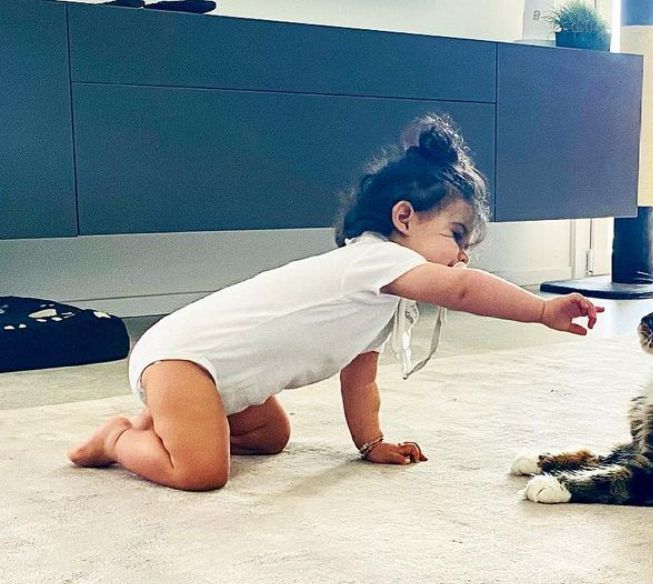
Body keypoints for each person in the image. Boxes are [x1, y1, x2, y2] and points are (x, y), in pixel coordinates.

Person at [68, 115, 604, 491]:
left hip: (221, 378)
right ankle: (119, 438)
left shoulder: (379, 297)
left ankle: (163, 426)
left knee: (271, 436)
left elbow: (360, 379)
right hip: (183, 360)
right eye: (457, 235)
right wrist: (540, 310)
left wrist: (371, 443)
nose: (462, 257)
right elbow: (463, 292)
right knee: (201, 474)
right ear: (404, 219)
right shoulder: (372, 261)